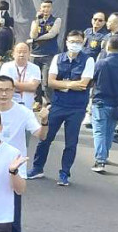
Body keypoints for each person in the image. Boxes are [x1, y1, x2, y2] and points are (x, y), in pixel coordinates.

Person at [29, 31, 94, 187]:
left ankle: (64, 173)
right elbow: (50, 82)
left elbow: (83, 84)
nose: (74, 44)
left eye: (78, 42)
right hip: (58, 104)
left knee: (70, 143)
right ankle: (37, 168)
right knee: (45, 138)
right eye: (72, 41)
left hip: (77, 108)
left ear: (83, 42)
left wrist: (63, 84)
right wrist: (72, 84)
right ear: (66, 42)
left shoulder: (88, 60)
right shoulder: (58, 58)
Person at [0, 76, 46, 232]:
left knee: (13, 215)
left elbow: (40, 135)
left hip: (14, 170)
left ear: (13, 92)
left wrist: (45, 121)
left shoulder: (24, 112)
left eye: (7, 90)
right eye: (0, 90)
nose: (3, 94)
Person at [89, 35, 118, 173]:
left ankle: (100, 160)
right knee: (109, 132)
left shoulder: (101, 63)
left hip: (101, 101)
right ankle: (104, 156)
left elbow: (92, 82)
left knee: (99, 131)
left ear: (108, 45)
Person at [27, 0, 63, 87]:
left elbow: (52, 34)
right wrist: (37, 20)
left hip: (48, 54)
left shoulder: (56, 20)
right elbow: (33, 35)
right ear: (40, 8)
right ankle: (37, 100)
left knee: (46, 81)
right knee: (34, 80)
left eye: (48, 7)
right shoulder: (35, 22)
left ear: (51, 8)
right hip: (35, 54)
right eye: (44, 7)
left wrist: (34, 40)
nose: (46, 9)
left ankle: (48, 100)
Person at [0, 42, 40, 109]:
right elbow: (5, 86)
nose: (22, 54)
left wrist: (13, 84)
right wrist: (26, 86)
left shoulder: (35, 68)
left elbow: (33, 87)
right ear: (13, 54)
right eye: (19, 52)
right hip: (9, 105)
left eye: (25, 52)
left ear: (29, 54)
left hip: (28, 106)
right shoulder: (6, 67)